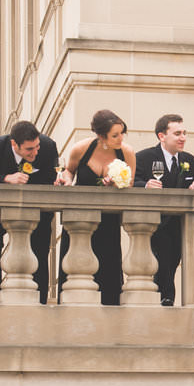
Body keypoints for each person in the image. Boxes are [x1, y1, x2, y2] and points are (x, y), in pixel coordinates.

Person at [56, 109, 136, 305]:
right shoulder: (80, 149)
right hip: (79, 220)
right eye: (115, 135)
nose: (120, 138)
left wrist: (119, 183)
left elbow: (130, 183)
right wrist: (64, 180)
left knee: (107, 268)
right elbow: (69, 172)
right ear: (101, 135)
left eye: (122, 133)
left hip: (108, 221)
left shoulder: (127, 152)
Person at [0, 120, 59, 304]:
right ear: (14, 144)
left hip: (36, 210)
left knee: (40, 249)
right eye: (29, 149)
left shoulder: (48, 146)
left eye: (36, 146)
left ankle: (40, 296)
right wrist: (7, 178)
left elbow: (51, 177)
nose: (35, 152)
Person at [133, 113, 194, 306]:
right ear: (161, 136)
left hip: (181, 226)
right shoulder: (144, 157)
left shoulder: (191, 160)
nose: (183, 137)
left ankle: (164, 298)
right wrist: (146, 185)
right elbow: (133, 183)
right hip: (154, 224)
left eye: (184, 133)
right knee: (161, 263)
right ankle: (165, 298)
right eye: (177, 133)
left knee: (172, 263)